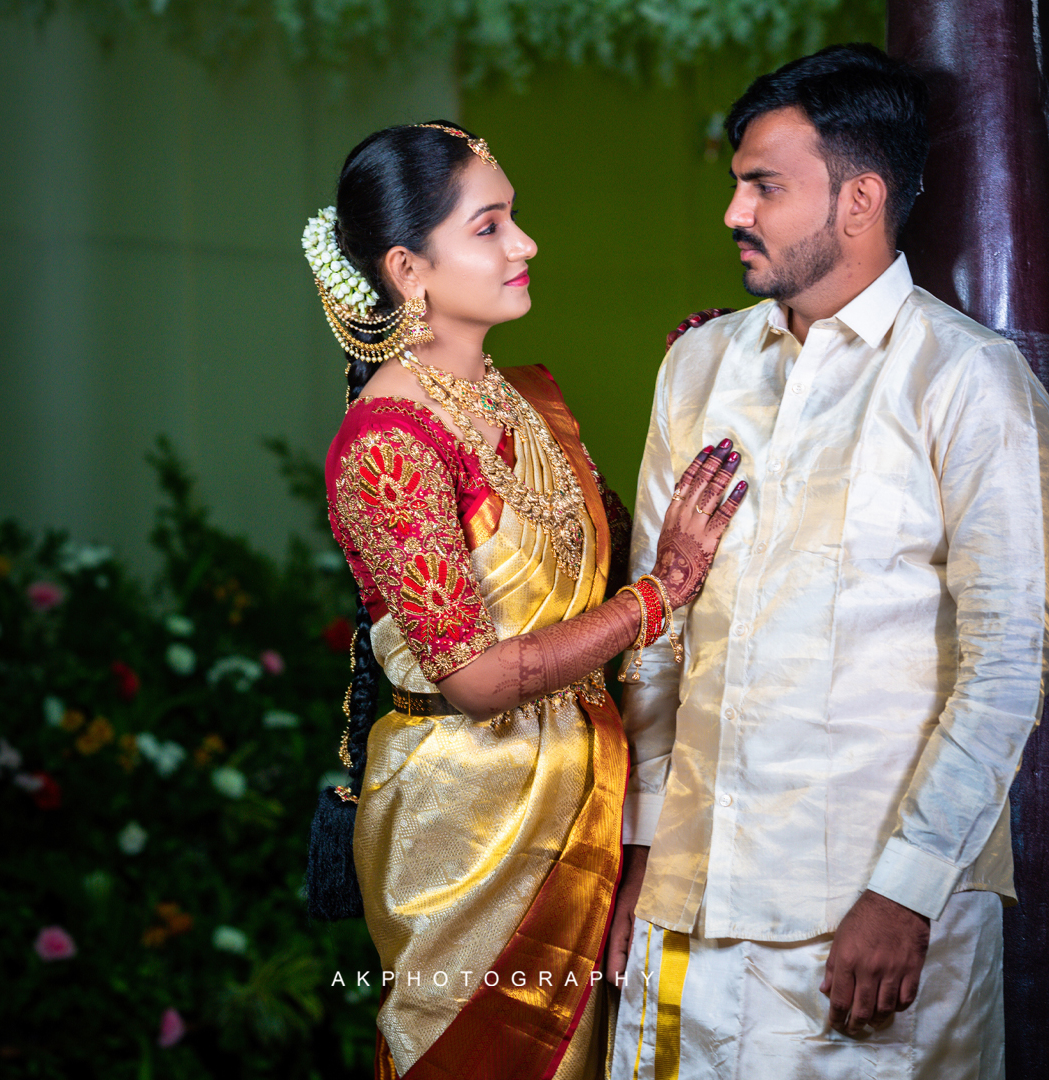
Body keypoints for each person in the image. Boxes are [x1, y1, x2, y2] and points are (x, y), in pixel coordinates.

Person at [606, 44, 1049, 1080]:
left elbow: (1006, 662)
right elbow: (657, 635)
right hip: (689, 910)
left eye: (764, 186)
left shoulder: (966, 380)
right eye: (737, 184)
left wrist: (906, 891)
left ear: (860, 199)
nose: (734, 212)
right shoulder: (698, 366)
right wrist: (640, 856)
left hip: (867, 928)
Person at [302, 122, 747, 1080]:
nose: (525, 242)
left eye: (515, 218)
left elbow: (605, 562)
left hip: (579, 790)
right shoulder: (388, 443)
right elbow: (473, 679)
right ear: (408, 270)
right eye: (490, 226)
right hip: (465, 820)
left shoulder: (520, 399)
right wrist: (660, 596)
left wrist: (711, 387)